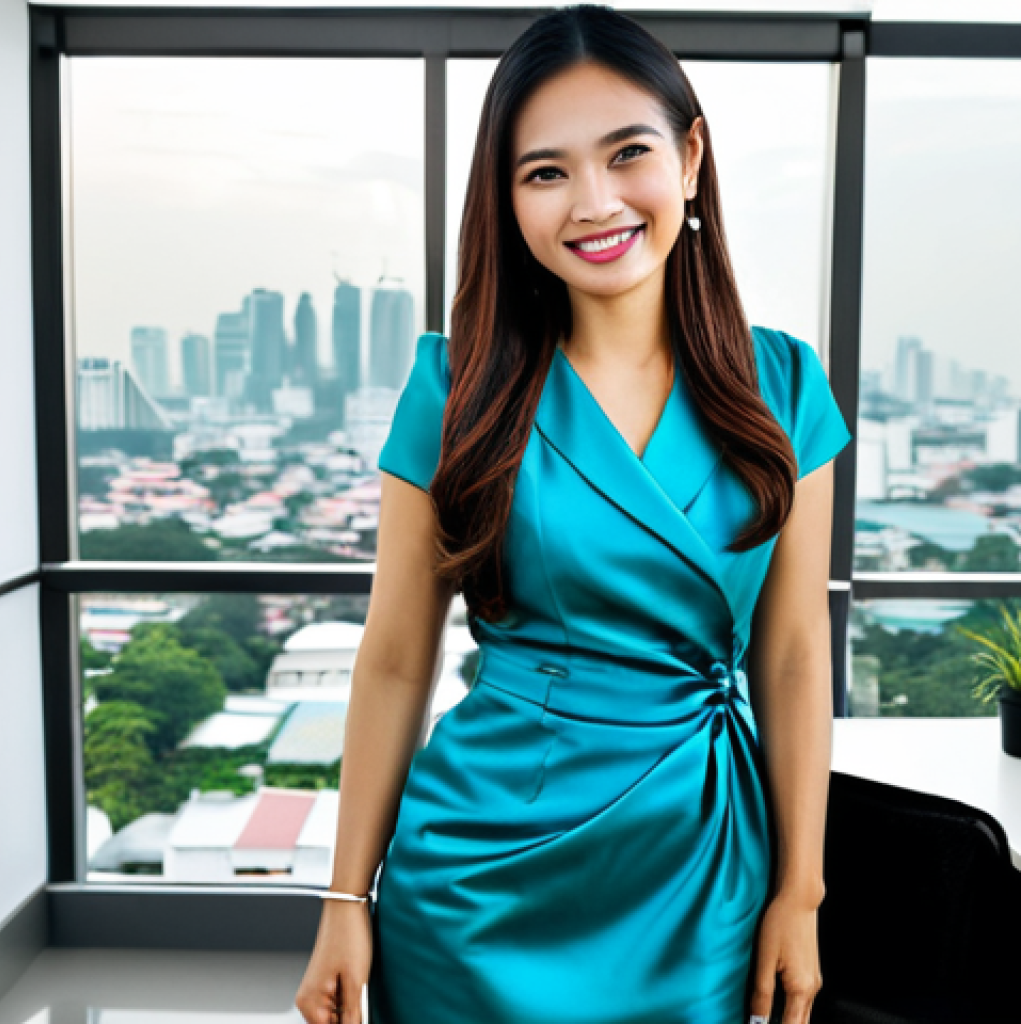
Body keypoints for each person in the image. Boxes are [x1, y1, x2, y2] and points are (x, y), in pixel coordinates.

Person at [295, 4, 852, 1023]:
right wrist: (345, 894)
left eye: (625, 153)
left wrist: (800, 891)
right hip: (476, 869)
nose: (593, 203)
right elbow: (393, 656)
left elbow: (793, 656)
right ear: (507, 201)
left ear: (689, 159)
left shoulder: (785, 385)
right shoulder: (453, 386)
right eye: (545, 172)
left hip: (699, 864)